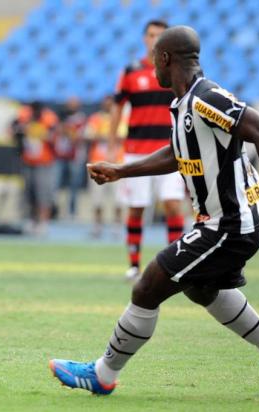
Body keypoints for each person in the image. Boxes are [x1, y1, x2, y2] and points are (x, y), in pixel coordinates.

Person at [50, 25, 259, 397]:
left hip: (230, 224)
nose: (152, 65)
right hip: (225, 222)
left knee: (149, 284)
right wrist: (121, 169)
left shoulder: (207, 97)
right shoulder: (184, 104)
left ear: (166, 59)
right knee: (202, 288)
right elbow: (177, 153)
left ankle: (103, 374)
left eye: (155, 58)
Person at [109, 19, 186, 281]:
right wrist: (112, 144)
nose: (155, 39)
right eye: (151, 35)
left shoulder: (176, 71)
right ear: (145, 39)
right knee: (136, 207)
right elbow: (117, 108)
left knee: (173, 206)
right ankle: (134, 265)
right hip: (136, 151)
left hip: (170, 152)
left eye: (160, 35)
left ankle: (174, 266)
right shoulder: (130, 71)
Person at [11, 101, 58, 236]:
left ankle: (43, 222)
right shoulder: (24, 115)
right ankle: (31, 220)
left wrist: (38, 132)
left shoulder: (49, 118)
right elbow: (13, 129)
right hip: (28, 160)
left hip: (44, 162)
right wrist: (21, 129)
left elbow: (53, 136)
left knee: (43, 193)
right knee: (29, 192)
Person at [83, 95, 124, 238]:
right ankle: (97, 225)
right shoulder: (96, 118)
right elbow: (88, 135)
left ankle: (117, 225)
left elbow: (124, 136)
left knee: (118, 198)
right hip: (97, 163)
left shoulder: (120, 118)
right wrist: (108, 136)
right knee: (97, 198)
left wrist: (104, 136)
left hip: (117, 164)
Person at [54, 97, 87, 221]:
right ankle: (54, 209)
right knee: (55, 183)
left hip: (75, 156)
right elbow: (56, 133)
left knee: (74, 185)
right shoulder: (60, 118)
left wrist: (66, 130)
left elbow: (77, 137)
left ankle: (72, 211)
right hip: (60, 154)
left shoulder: (81, 119)